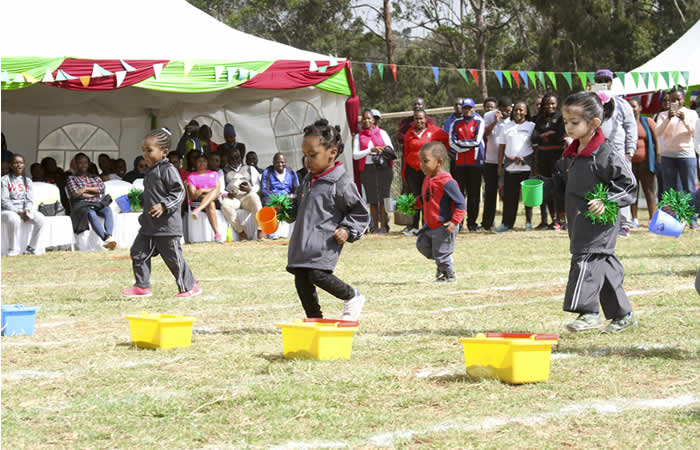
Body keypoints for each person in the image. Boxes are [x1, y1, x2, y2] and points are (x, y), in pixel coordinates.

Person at [552, 91, 638, 333]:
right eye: (566, 122)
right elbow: (562, 183)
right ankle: (623, 315)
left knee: (586, 260)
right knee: (604, 264)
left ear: (594, 123)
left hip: (600, 223)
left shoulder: (607, 153)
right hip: (578, 221)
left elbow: (629, 185)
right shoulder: (571, 153)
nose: (568, 127)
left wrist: (607, 199)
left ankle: (588, 312)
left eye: (574, 122)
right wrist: (544, 185)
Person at [286, 119, 370, 320]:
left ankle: (352, 296)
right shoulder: (308, 179)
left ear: (332, 153)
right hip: (303, 242)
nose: (307, 161)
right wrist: (284, 210)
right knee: (301, 278)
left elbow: (359, 212)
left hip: (324, 242)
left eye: (313, 155)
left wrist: (347, 229)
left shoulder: (341, 183)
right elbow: (299, 206)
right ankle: (315, 319)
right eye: (305, 155)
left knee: (317, 274)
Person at [121, 128, 201, 298]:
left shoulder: (168, 169)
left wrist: (164, 206)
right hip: (149, 225)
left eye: (149, 150)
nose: (145, 154)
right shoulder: (150, 171)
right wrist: (141, 199)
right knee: (138, 252)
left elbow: (179, 192)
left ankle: (190, 286)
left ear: (164, 152)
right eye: (143, 150)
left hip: (166, 227)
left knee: (173, 258)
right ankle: (142, 286)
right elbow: (154, 193)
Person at [592, 69, 638, 237]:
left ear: (612, 82)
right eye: (599, 80)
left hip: (619, 153)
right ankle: (604, 221)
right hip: (596, 153)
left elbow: (631, 127)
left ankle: (624, 224)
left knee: (621, 187)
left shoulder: (622, 104)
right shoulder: (590, 103)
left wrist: (630, 151)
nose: (603, 83)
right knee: (598, 187)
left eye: (606, 80)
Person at [415, 142, 466, 282]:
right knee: (422, 245)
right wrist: (415, 203)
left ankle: (448, 275)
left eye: (425, 161)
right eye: (421, 161)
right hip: (430, 224)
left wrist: (454, 222)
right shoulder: (428, 178)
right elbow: (426, 197)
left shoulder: (447, 182)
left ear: (439, 162)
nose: (421, 165)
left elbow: (461, 203)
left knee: (441, 252)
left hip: (444, 225)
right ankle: (443, 260)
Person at [403, 109, 450, 235]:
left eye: (421, 118)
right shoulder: (409, 133)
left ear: (425, 119)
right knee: (414, 198)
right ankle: (413, 226)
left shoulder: (434, 131)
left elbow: (447, 140)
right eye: (416, 118)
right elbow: (405, 153)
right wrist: (404, 173)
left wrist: (440, 155)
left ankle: (426, 225)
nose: (419, 121)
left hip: (427, 170)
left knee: (426, 197)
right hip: (412, 170)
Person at [494, 101, 535, 233]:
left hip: (526, 167)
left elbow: (536, 146)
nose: (518, 112)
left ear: (526, 112)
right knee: (509, 198)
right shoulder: (506, 126)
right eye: (516, 110)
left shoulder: (531, 126)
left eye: (521, 110)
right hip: (510, 168)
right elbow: (501, 147)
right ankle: (506, 223)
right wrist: (499, 166)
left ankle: (528, 223)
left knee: (528, 198)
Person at [353, 109, 394, 233]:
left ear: (373, 120)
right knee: (372, 200)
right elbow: (355, 155)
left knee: (384, 198)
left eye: (369, 118)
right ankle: (375, 227)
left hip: (383, 168)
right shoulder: (359, 136)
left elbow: (390, 149)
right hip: (368, 169)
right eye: (364, 118)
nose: (367, 121)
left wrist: (382, 150)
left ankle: (384, 226)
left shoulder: (382, 133)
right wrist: (370, 151)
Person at [449, 98, 486, 232]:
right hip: (460, 163)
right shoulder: (455, 123)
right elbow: (452, 142)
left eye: (469, 108)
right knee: (459, 194)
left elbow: (477, 141)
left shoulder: (479, 121)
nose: (467, 110)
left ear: (474, 109)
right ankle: (459, 222)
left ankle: (472, 223)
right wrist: (463, 146)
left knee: (474, 194)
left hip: (475, 162)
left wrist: (461, 144)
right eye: (465, 108)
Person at [531, 93, 567, 230]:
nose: (550, 106)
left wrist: (544, 135)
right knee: (547, 188)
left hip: (557, 157)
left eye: (552, 103)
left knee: (558, 188)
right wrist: (548, 134)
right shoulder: (539, 119)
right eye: (547, 103)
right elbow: (534, 138)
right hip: (543, 157)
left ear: (557, 104)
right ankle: (553, 220)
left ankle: (562, 219)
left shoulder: (560, 117)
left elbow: (560, 136)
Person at [66, 153, 117, 249]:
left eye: (85, 163)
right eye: (80, 163)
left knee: (107, 210)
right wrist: (93, 192)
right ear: (76, 164)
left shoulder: (95, 177)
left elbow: (101, 189)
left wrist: (84, 189)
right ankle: (106, 238)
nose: (83, 165)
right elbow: (76, 194)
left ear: (88, 164)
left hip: (98, 203)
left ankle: (109, 236)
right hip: (83, 205)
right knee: (91, 213)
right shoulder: (72, 178)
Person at [655, 88, 698, 199]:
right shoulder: (663, 115)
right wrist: (668, 119)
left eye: (679, 99)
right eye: (673, 100)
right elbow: (658, 132)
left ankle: (690, 210)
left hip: (686, 155)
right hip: (668, 156)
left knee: (689, 188)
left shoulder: (691, 113)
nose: (676, 102)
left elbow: (695, 132)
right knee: (669, 189)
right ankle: (671, 210)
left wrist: (684, 120)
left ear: (683, 99)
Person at [1, 154, 46, 255]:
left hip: (24, 210)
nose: (18, 165)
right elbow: (4, 201)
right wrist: (18, 212)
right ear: (11, 165)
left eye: (21, 163)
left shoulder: (27, 181)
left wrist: (27, 211)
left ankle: (32, 248)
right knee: (14, 218)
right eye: (16, 163)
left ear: (24, 165)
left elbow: (30, 200)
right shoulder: (4, 180)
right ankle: (13, 249)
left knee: (41, 218)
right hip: (7, 211)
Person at [481, 96, 512, 231]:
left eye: (508, 111)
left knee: (506, 193)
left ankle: (506, 222)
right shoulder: (489, 116)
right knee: (490, 192)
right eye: (503, 110)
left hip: (508, 161)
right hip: (490, 160)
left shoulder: (513, 117)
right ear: (498, 109)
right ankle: (487, 223)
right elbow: (484, 134)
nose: (506, 113)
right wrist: (495, 121)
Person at [628, 98, 661, 224]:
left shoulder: (648, 121)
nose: (632, 109)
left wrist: (658, 154)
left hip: (646, 162)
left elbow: (657, 138)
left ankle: (652, 218)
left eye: (634, 106)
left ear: (640, 108)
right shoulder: (626, 122)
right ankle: (634, 218)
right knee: (632, 190)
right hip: (630, 163)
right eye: (630, 106)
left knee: (649, 190)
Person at [221, 147, 264, 240]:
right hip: (233, 198)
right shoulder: (223, 171)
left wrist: (250, 189)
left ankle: (260, 230)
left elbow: (257, 185)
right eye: (231, 158)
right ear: (227, 159)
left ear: (241, 157)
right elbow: (221, 189)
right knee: (225, 205)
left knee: (255, 198)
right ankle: (241, 231)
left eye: (236, 158)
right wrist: (228, 194)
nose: (234, 160)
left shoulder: (250, 168)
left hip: (247, 196)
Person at [187, 153, 223, 241]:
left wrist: (202, 190)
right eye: (199, 161)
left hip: (214, 200)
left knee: (213, 196)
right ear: (195, 163)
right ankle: (217, 234)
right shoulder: (191, 176)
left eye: (204, 161)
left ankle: (198, 210)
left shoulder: (214, 174)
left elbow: (217, 191)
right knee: (210, 203)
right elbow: (193, 195)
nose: (202, 163)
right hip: (197, 202)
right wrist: (210, 191)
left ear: (207, 163)